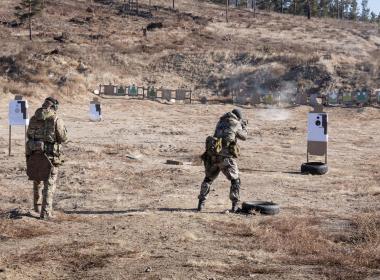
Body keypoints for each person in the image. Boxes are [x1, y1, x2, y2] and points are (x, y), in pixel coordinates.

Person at [197, 108, 248, 213]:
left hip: (213, 156)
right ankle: (235, 206)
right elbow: (244, 137)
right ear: (238, 117)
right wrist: (243, 127)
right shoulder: (236, 123)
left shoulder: (221, 121)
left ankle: (200, 204)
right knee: (235, 180)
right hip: (226, 158)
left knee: (208, 179)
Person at [26, 97, 68, 220]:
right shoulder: (56, 120)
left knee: (37, 181)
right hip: (50, 157)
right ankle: (45, 213)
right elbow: (63, 138)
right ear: (54, 107)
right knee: (49, 184)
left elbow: (29, 135)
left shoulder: (33, 118)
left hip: (34, 155)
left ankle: (36, 208)